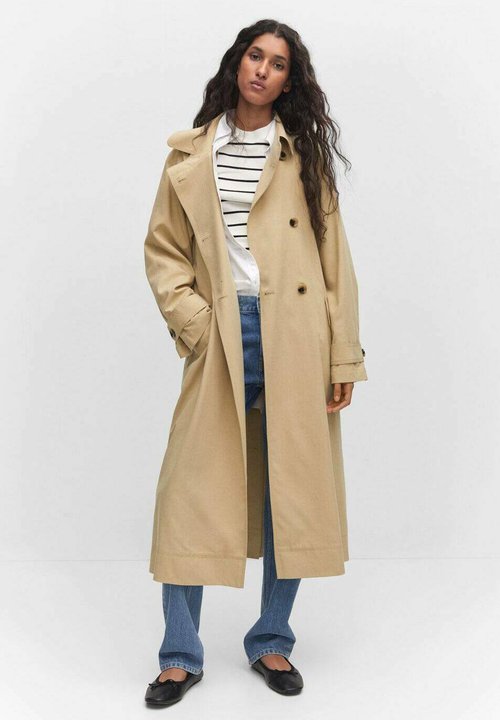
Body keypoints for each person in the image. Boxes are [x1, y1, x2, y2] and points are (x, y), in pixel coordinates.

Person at [143, 19, 368, 708]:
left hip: (295, 335)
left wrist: (343, 354)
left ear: (290, 81)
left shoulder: (302, 155)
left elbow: (335, 261)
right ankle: (179, 654)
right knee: (190, 493)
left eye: (278, 63)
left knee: (289, 492)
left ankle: (271, 639)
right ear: (237, 63)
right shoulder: (191, 153)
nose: (263, 70)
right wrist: (196, 323)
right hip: (223, 331)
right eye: (255, 55)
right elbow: (163, 251)